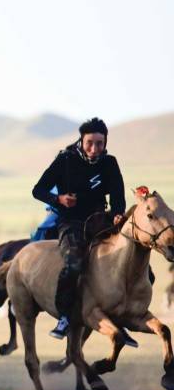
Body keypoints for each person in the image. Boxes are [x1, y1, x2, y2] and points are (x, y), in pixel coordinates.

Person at [32, 117, 135, 345]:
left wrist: (118, 212)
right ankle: (65, 317)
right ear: (82, 140)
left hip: (101, 220)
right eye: (90, 142)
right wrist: (58, 198)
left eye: (100, 143)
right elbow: (37, 190)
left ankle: (124, 317)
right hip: (71, 222)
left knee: (133, 259)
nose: (94, 148)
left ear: (105, 142)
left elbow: (118, 195)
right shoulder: (65, 159)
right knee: (75, 264)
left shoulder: (109, 163)